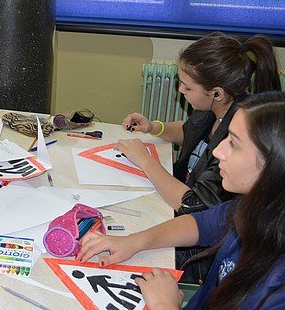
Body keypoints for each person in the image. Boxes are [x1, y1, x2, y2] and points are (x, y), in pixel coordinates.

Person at [79, 91, 285, 309]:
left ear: (275, 165)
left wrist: (165, 304)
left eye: (234, 143)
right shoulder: (259, 205)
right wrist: (135, 241)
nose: (217, 151)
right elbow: (200, 225)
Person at [119, 32, 280, 282]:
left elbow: (192, 205)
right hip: (191, 219)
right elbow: (189, 131)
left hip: (201, 251)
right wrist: (154, 127)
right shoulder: (216, 107)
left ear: (216, 93)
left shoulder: (240, 133)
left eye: (187, 87)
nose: (180, 90)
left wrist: (145, 160)